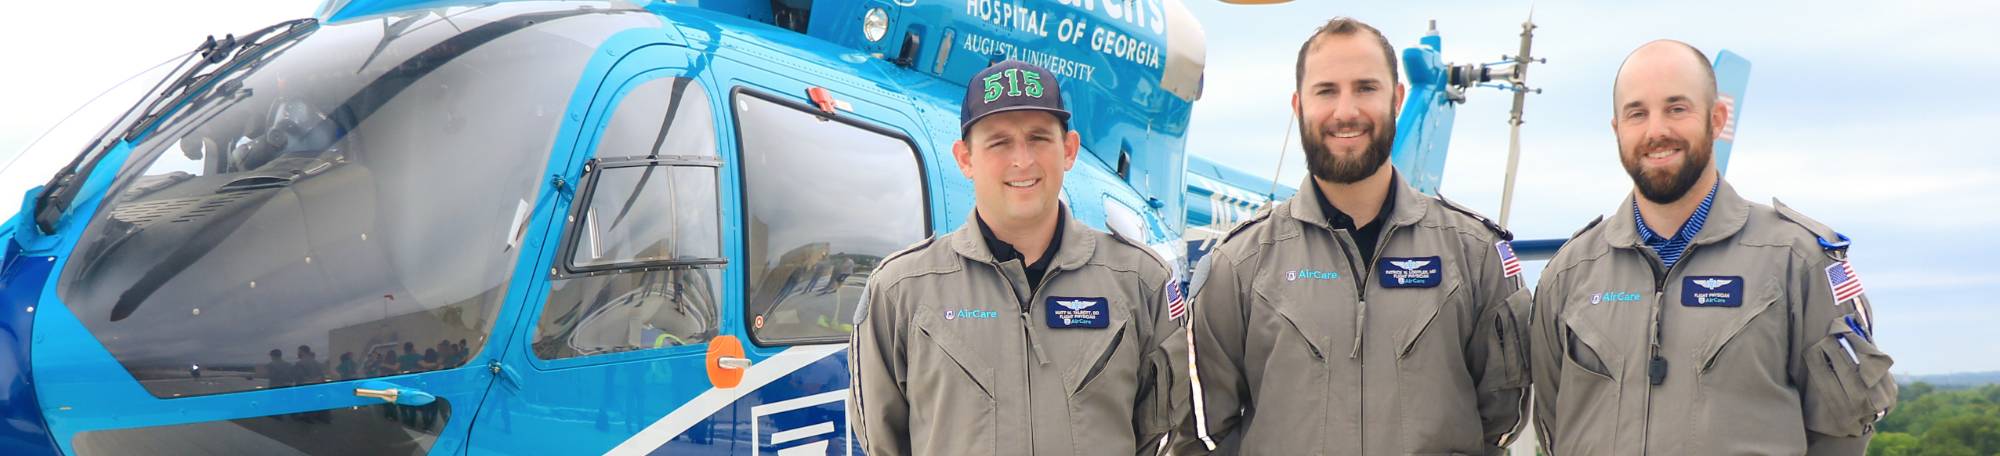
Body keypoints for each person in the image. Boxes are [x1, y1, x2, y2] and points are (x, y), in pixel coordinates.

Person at [1170, 17, 1530, 455]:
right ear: (1297, 105)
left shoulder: (1475, 255)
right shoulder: (1238, 267)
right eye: (1326, 91)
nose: (1345, 111)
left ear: (1396, 99)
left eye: (1365, 88)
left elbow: (1501, 423)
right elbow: (1204, 436)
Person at [1527, 39, 1896, 455]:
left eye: (1676, 108)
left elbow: (1842, 432)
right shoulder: (1569, 273)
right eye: (1637, 113)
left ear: (1716, 118)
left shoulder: (1799, 260)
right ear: (1617, 129)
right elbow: (1556, 423)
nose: (1656, 131)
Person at [848, 59, 1182, 455]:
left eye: (1039, 138)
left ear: (1069, 150)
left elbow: (1171, 436)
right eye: (999, 142)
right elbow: (884, 444)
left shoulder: (1140, 282)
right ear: (965, 158)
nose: (1022, 160)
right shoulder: (900, 293)